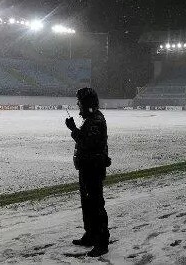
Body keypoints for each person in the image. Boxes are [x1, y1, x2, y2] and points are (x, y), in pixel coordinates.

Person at [65, 87, 110, 257]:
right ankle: (90, 235)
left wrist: (73, 130)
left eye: (80, 102)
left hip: (93, 168)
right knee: (87, 204)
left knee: (95, 205)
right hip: (87, 167)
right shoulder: (91, 118)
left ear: (86, 103)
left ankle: (102, 242)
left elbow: (87, 143)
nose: (78, 105)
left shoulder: (95, 120)